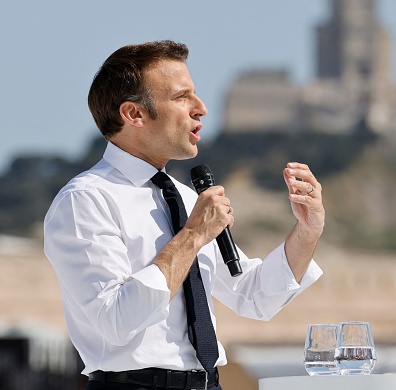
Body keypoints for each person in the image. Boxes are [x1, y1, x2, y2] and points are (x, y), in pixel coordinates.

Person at [44, 40, 325, 390]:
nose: (202, 108)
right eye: (181, 97)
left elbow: (252, 295)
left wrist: (307, 232)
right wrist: (192, 236)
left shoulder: (186, 197)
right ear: (134, 114)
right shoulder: (85, 201)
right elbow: (115, 320)